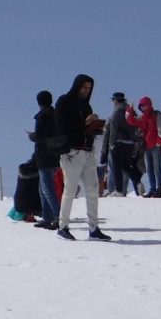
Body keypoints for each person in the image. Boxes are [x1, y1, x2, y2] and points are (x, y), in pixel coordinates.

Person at [53, 73, 111, 240]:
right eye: (84, 87)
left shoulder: (86, 106)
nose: (86, 90)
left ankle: (94, 228)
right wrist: (83, 123)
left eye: (89, 88)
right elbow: (61, 125)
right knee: (70, 190)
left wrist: (95, 126)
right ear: (77, 86)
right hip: (71, 152)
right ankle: (62, 227)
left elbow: (84, 128)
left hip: (86, 151)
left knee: (93, 189)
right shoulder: (63, 101)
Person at [28, 90, 61, 229]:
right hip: (54, 154)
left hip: (44, 156)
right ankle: (47, 217)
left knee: (47, 188)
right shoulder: (56, 114)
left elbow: (40, 137)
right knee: (44, 188)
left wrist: (32, 136)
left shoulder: (42, 116)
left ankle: (57, 216)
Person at [103, 92, 144, 197]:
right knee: (127, 166)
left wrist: (111, 144)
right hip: (130, 144)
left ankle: (119, 190)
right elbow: (136, 127)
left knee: (117, 167)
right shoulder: (131, 111)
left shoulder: (116, 113)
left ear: (116, 100)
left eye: (113, 100)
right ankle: (138, 182)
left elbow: (113, 130)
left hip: (118, 143)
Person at [125, 96, 161, 198]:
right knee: (149, 169)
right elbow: (130, 120)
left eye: (145, 105)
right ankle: (152, 189)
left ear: (149, 105)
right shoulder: (142, 118)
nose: (143, 108)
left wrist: (159, 141)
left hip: (155, 146)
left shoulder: (156, 115)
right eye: (142, 106)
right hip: (147, 146)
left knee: (157, 168)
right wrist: (130, 110)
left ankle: (158, 189)